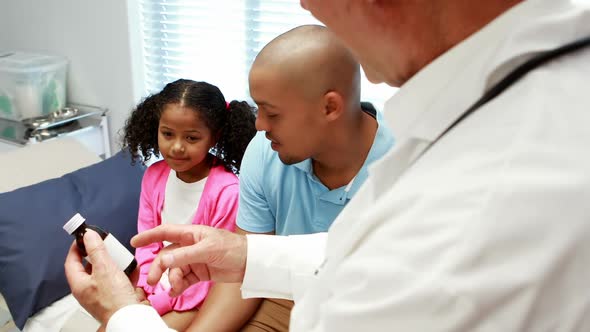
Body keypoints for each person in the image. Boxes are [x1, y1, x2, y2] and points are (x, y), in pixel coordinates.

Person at [65, 0, 590, 331]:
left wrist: (121, 313)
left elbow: (395, 264)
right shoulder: (516, 101)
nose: (309, 4)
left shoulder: (487, 196)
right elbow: (368, 252)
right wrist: (246, 252)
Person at [183, 25, 393, 331]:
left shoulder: (410, 165)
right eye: (258, 108)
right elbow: (246, 266)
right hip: (286, 295)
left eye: (272, 112)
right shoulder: (265, 151)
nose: (258, 125)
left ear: (329, 107)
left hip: (373, 308)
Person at [119, 79, 256, 330]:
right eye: (167, 134)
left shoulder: (227, 192)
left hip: (196, 298)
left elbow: (214, 272)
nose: (177, 147)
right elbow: (147, 243)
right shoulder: (153, 176)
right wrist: (145, 289)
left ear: (213, 137)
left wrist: (158, 303)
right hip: (156, 286)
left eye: (191, 138)